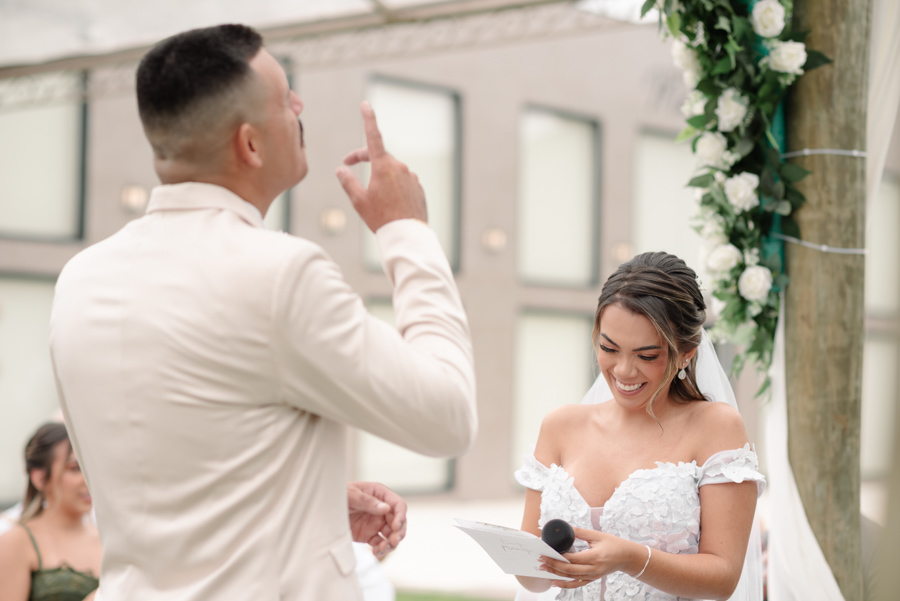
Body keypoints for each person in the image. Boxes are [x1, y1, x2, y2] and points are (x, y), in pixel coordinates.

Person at [48, 24, 477, 600]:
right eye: (285, 98)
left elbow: (165, 462)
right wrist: (406, 229)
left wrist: (309, 504)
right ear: (250, 144)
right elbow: (447, 415)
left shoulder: (80, 278)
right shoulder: (281, 273)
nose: (299, 107)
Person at [514, 252, 765, 601]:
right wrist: (528, 560)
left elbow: (723, 578)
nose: (623, 371)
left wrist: (632, 559)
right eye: (609, 348)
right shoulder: (560, 426)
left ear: (687, 353)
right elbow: (532, 580)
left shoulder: (716, 427)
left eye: (646, 356)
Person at [0, 422, 102, 601]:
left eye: (90, 468)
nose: (87, 480)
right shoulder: (17, 541)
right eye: (75, 468)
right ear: (40, 477)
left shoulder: (108, 540)